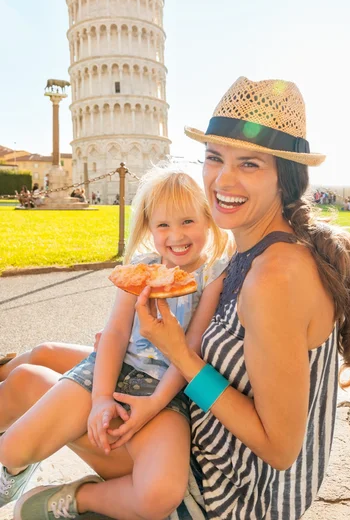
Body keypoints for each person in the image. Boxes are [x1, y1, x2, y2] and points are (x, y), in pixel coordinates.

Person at [2, 77, 350, 520]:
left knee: (31, 387)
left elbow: (280, 449)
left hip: (223, 486)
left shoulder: (275, 276)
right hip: (186, 412)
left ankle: (61, 498)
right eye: (214, 158)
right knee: (46, 360)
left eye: (250, 164)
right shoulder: (254, 246)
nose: (223, 178)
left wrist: (176, 351)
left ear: (285, 178)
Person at [0, 164, 229, 520]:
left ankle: (77, 495)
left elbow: (191, 352)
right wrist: (101, 398)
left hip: (168, 392)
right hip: (113, 370)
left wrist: (153, 404)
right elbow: (115, 335)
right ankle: (17, 468)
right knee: (11, 449)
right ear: (150, 228)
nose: (176, 235)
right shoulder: (141, 269)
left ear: (208, 220)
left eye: (188, 221)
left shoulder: (213, 275)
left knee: (160, 494)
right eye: (163, 225)